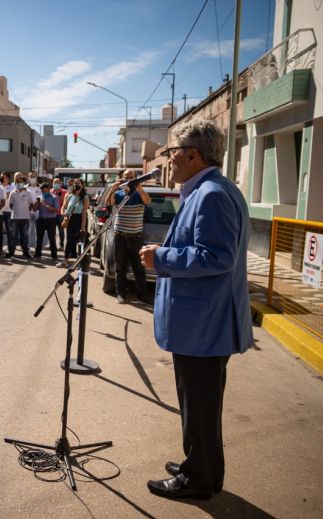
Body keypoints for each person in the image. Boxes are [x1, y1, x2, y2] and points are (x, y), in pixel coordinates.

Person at [139, 119, 253, 500]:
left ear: (192, 155)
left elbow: (216, 256)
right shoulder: (206, 190)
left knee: (200, 408)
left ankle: (199, 478)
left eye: (172, 153)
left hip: (204, 328)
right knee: (199, 405)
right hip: (203, 324)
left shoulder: (212, 195)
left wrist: (162, 256)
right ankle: (202, 466)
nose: (168, 161)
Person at [106, 169, 151, 304]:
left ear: (135, 178)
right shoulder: (119, 195)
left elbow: (148, 201)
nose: (128, 180)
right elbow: (108, 203)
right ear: (121, 178)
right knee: (120, 268)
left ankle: (142, 295)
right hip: (120, 237)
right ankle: (121, 294)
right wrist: (113, 188)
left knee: (139, 268)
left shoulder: (139, 194)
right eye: (126, 177)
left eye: (131, 177)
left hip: (136, 237)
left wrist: (139, 188)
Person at [61, 179, 89, 263]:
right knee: (69, 240)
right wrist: (63, 213)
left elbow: (84, 212)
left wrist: (83, 226)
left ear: (82, 185)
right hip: (70, 219)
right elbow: (63, 207)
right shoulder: (69, 195)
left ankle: (80, 263)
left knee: (80, 241)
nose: (76, 185)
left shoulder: (85, 197)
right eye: (75, 184)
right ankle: (65, 261)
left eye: (78, 183)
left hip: (80, 219)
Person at [7, 173, 32, 258]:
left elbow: (31, 204)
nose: (19, 184)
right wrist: (16, 210)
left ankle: (25, 252)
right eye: (17, 182)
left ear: (24, 183)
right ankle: (11, 252)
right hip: (15, 218)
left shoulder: (28, 193)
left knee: (24, 236)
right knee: (13, 236)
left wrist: (26, 210)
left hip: (25, 218)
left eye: (21, 182)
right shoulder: (12, 193)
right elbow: (10, 204)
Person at [34, 183, 59, 260]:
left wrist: (46, 205)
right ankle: (37, 254)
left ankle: (54, 255)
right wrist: (36, 205)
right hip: (41, 220)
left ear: (48, 189)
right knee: (39, 238)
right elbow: (34, 210)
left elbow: (56, 209)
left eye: (45, 191)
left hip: (51, 220)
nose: (43, 192)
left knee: (51, 238)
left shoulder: (54, 197)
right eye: (42, 191)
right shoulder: (39, 197)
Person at [26, 171, 42, 252]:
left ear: (36, 177)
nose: (32, 178)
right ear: (28, 178)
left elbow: (41, 199)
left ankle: (37, 248)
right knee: (27, 231)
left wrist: (37, 206)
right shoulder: (25, 187)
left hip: (38, 212)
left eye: (33, 176)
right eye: (30, 177)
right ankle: (27, 247)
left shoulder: (40, 188)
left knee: (38, 232)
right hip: (28, 212)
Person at [1, 171, 16, 254]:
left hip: (9, 212)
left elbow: (11, 197)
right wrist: (6, 194)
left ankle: (11, 250)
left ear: (7, 178)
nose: (2, 178)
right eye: (1, 177)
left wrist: (6, 195)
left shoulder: (12, 187)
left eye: (3, 177)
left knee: (10, 231)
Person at [51, 177, 67, 249]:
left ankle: (61, 245)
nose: (56, 184)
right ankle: (52, 245)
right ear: (53, 183)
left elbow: (63, 202)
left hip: (60, 214)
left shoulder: (64, 192)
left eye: (58, 182)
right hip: (52, 214)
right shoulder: (50, 191)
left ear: (60, 183)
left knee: (61, 230)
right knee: (52, 231)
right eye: (55, 182)